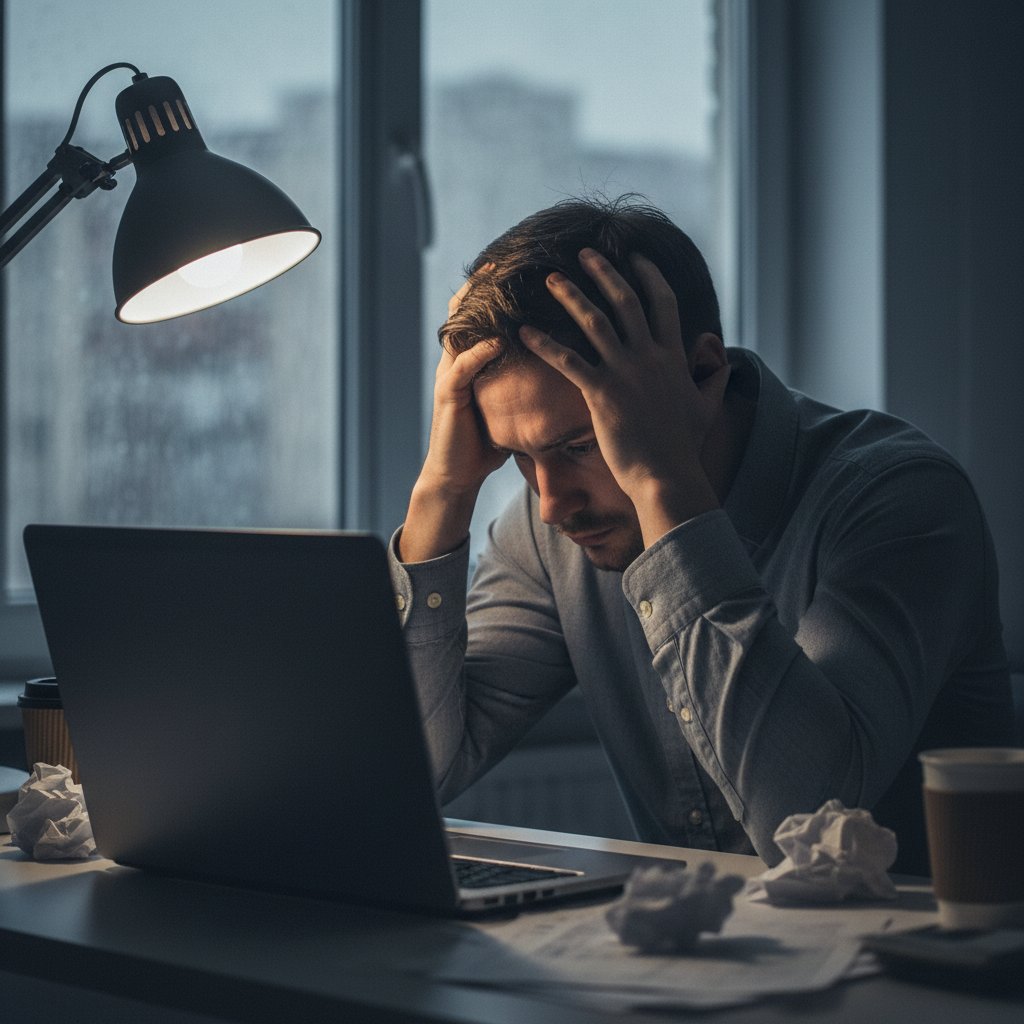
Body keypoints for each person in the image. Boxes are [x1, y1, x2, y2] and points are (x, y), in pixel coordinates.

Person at [388, 195, 1013, 875]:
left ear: (705, 373)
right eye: (518, 457)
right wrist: (441, 497)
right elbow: (415, 775)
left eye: (580, 444)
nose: (548, 505)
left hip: (921, 966)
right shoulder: (552, 532)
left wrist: (664, 488)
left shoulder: (899, 500)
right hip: (703, 966)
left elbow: (805, 828)